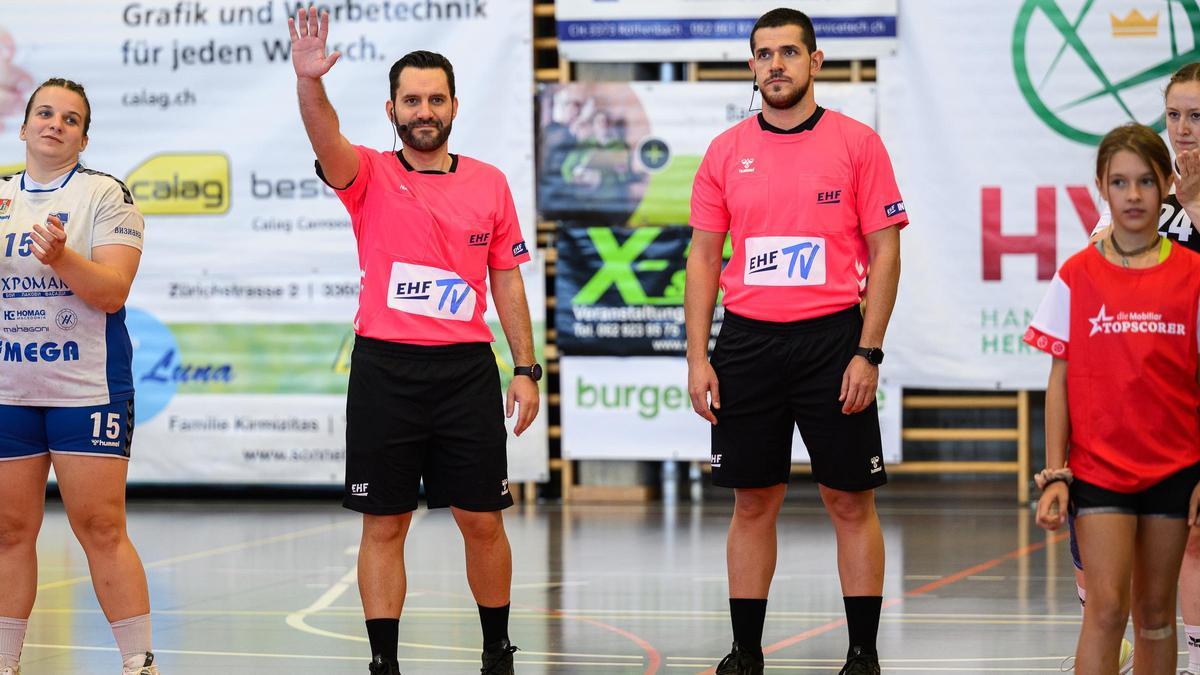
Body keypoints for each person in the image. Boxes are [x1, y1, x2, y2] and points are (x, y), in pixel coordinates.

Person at [287, 7, 540, 675]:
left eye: (434, 98)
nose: (423, 110)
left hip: (464, 373)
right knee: (384, 523)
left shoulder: (489, 181)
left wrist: (527, 367)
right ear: (393, 108)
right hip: (385, 373)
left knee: (482, 519)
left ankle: (497, 649)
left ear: (453, 104)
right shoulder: (366, 174)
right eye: (411, 100)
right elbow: (324, 135)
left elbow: (507, 283)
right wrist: (308, 82)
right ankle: (384, 662)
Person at [685, 8, 906, 675]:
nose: (775, 64)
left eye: (788, 52)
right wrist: (698, 355)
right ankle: (745, 650)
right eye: (763, 54)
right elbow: (702, 256)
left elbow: (886, 251)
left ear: (816, 61)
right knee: (753, 500)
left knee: (849, 499)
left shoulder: (858, 143)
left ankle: (862, 653)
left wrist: (867, 351)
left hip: (833, 342)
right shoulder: (726, 150)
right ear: (751, 66)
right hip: (747, 344)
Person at [1030, 123, 1200, 675]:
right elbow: (1060, 378)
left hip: (1176, 470)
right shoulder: (1077, 275)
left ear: (1167, 185)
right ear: (1101, 187)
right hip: (1099, 469)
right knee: (1105, 611)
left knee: (1155, 616)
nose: (1133, 195)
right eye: (1120, 182)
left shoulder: (1195, 276)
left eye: (1146, 182)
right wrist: (1056, 472)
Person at [0, 78, 157, 675]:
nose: (54, 124)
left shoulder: (105, 194)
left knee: (100, 527)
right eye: (44, 113)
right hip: (9, 389)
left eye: (70, 119)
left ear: (83, 136)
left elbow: (113, 294)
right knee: (10, 530)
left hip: (85, 386)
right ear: (23, 127)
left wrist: (62, 257)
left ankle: (139, 664)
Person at [1075, 62, 1200, 675]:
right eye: (1174, 115)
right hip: (1140, 420)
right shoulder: (1144, 208)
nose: (1183, 129)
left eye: (1197, 116)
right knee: (1129, 581)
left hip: (1190, 408)